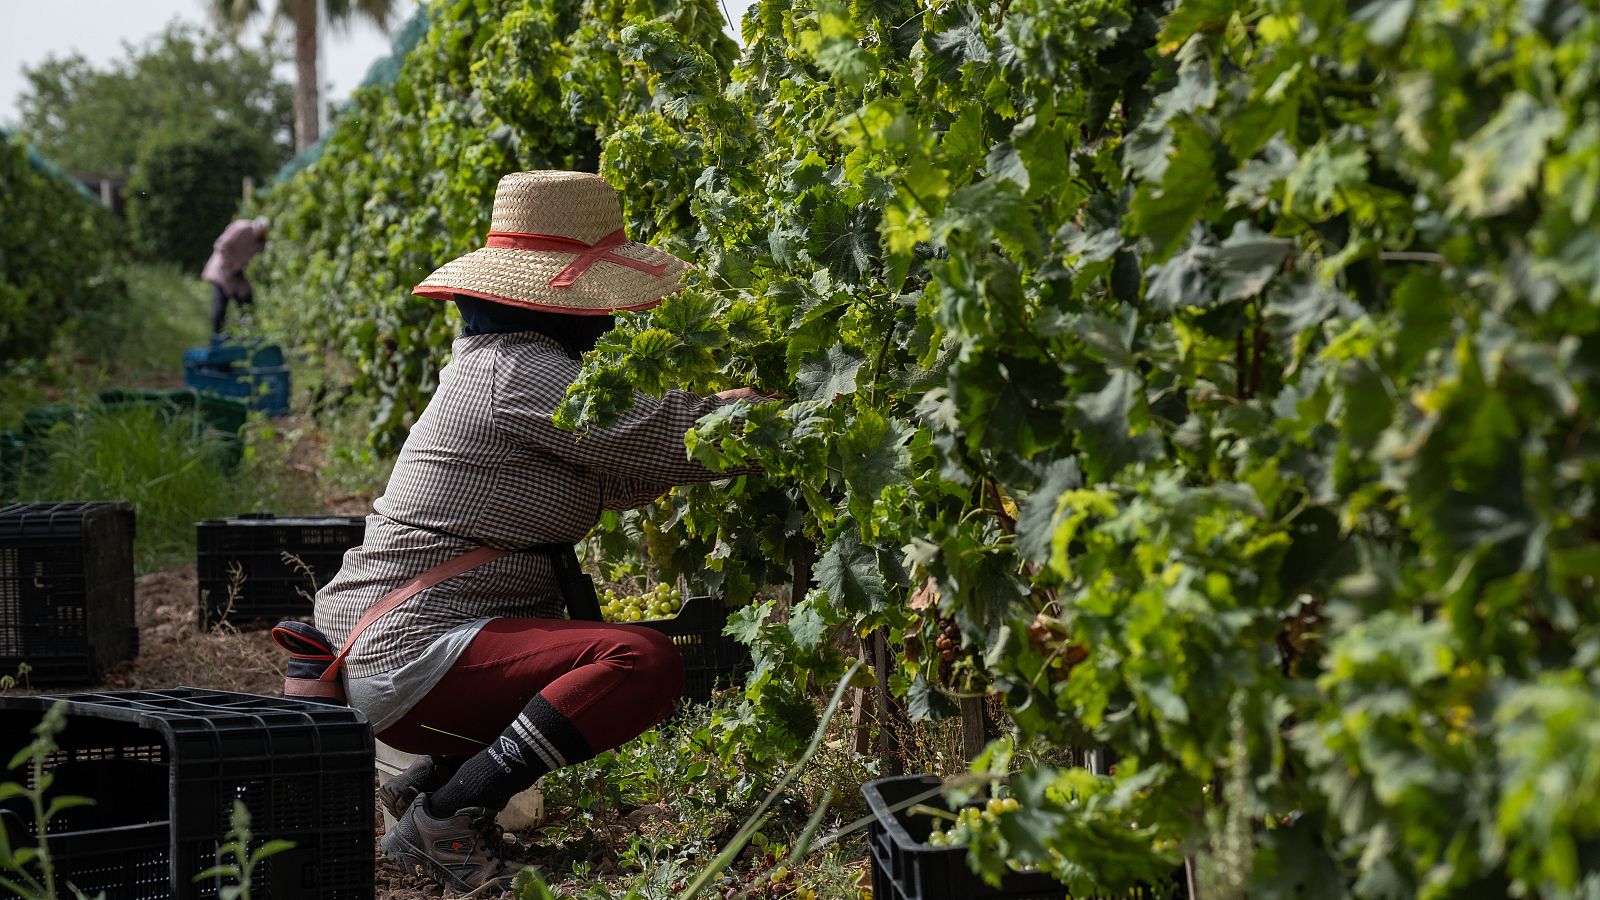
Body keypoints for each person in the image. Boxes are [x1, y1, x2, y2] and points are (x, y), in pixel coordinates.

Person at [313, 171, 766, 892]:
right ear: (558, 301)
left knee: (590, 653)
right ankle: (448, 816)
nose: (609, 319)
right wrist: (784, 415)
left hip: (399, 642)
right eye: (599, 300)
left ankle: (427, 789)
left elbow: (617, 472)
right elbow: (666, 436)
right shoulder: (523, 374)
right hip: (412, 652)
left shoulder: (498, 365)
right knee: (640, 662)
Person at [201, 216, 269, 335]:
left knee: (248, 309)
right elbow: (221, 246)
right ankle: (217, 340)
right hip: (223, 272)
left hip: (240, 277)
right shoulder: (241, 227)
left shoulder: (262, 241)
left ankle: (248, 337)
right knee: (220, 309)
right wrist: (233, 265)